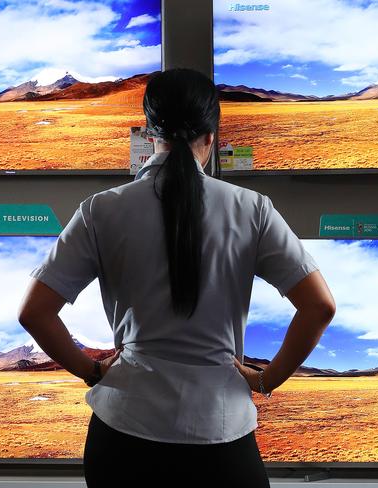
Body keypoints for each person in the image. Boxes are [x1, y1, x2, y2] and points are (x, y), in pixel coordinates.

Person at [18, 68, 335, 487]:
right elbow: (319, 306)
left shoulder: (100, 209)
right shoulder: (252, 208)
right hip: (221, 438)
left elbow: (35, 313)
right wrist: (265, 379)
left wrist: (90, 371)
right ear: (212, 134)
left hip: (123, 437)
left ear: (150, 132)